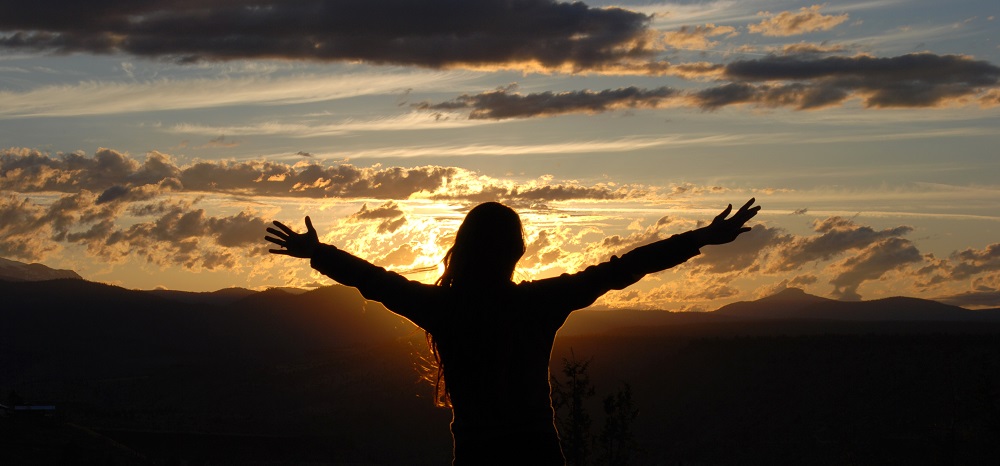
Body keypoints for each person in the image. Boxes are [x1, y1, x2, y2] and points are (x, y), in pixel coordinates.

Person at [265, 199, 760, 465]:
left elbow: (373, 280)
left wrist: (318, 254)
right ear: (517, 252)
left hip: (477, 457)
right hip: (537, 455)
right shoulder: (537, 304)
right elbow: (624, 268)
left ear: (462, 250)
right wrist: (700, 238)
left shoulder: (442, 308)